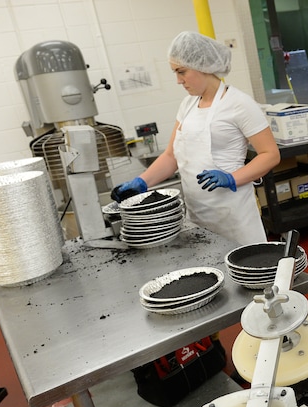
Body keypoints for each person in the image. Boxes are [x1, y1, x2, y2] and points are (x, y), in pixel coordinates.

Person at [111, 31, 280, 246]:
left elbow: (270, 155)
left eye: (182, 72)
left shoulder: (239, 104)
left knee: (243, 271)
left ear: (203, 66)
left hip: (232, 214)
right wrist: (142, 182)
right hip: (197, 214)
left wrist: (231, 178)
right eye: (175, 72)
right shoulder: (188, 105)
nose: (178, 80)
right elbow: (171, 155)